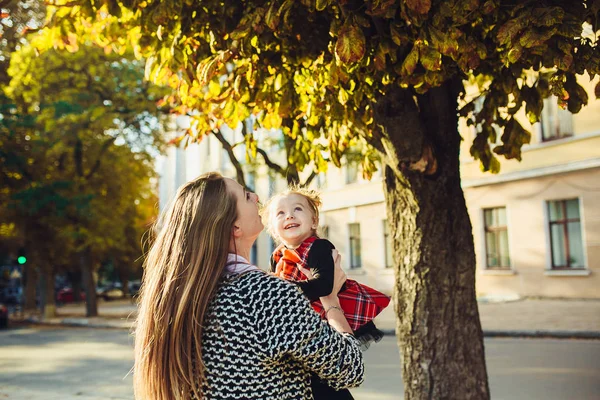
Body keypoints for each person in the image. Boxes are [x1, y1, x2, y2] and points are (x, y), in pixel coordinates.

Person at [133, 172, 364, 400]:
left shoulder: (187, 294)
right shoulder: (267, 295)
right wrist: (332, 301)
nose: (255, 196)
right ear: (235, 228)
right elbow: (350, 369)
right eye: (245, 195)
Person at [263, 186, 391, 400]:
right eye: (281, 213)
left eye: (297, 209)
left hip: (324, 319)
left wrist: (282, 292)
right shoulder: (277, 257)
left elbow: (324, 286)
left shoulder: (319, 247)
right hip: (301, 325)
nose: (290, 215)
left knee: (325, 374)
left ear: (314, 221)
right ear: (274, 230)